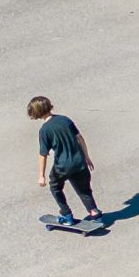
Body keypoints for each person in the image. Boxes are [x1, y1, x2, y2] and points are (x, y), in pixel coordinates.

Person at [28, 96, 104, 232]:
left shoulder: (45, 130)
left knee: (55, 187)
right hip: (80, 162)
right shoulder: (65, 119)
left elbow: (43, 154)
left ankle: (66, 215)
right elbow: (80, 138)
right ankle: (95, 214)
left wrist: (41, 175)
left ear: (36, 113)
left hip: (62, 166)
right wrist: (87, 157)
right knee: (84, 190)